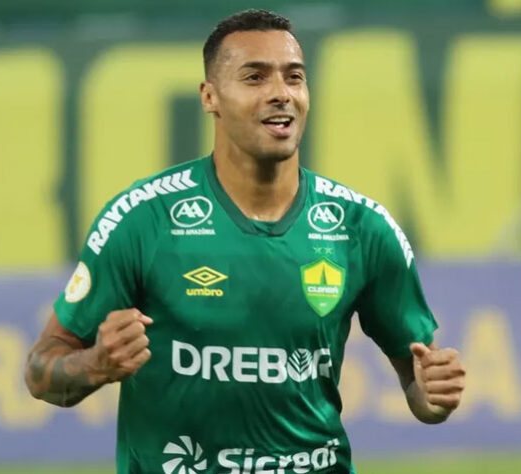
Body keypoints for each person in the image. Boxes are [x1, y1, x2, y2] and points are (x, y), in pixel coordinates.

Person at [24, 9, 465, 474]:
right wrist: (96, 363)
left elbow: (419, 386)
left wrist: (432, 396)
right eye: (255, 77)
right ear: (209, 96)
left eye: (294, 77)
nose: (281, 93)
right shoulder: (142, 219)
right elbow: (40, 370)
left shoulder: (361, 227)